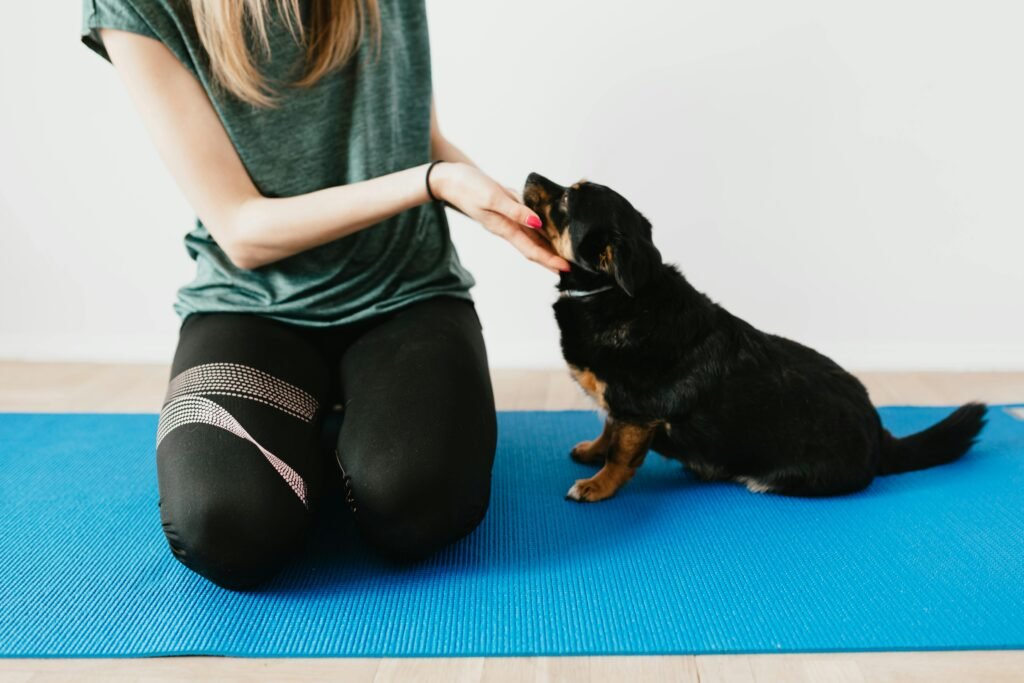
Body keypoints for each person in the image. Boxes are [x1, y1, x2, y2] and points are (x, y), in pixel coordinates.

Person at [80, 0, 571, 591]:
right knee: (226, 528)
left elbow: (423, 135)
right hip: (250, 304)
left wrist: (513, 214)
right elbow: (241, 230)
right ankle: (327, 427)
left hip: (406, 292)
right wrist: (433, 183)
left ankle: (341, 433)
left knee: (418, 505)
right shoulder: (133, 7)